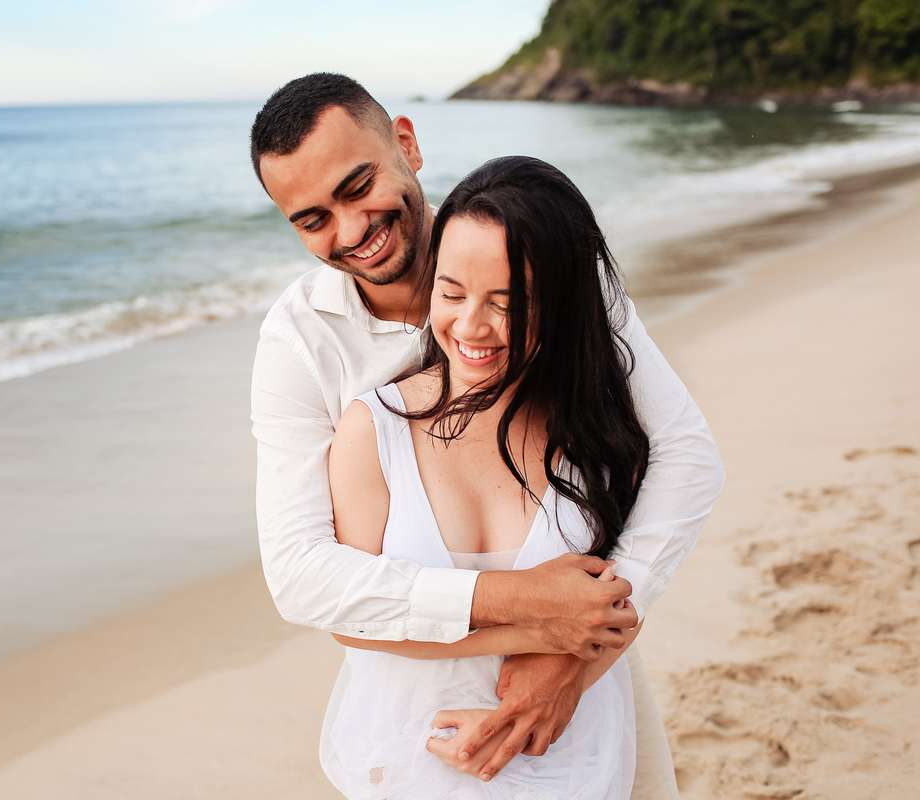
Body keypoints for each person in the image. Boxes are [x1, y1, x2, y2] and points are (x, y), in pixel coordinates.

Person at [250, 73, 723, 793]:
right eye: (312, 219)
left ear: (406, 144)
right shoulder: (299, 344)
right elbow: (301, 576)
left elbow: (684, 452)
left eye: (358, 187)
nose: (350, 232)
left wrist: (574, 656)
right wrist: (527, 607)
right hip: (418, 702)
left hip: (589, 665)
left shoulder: (546, 255)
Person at [323, 154, 647, 799]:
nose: (471, 327)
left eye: (508, 303)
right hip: (410, 754)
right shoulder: (375, 430)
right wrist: (542, 629)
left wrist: (564, 669)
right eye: (451, 294)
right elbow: (353, 618)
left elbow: (622, 602)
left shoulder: (600, 435)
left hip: (569, 753)